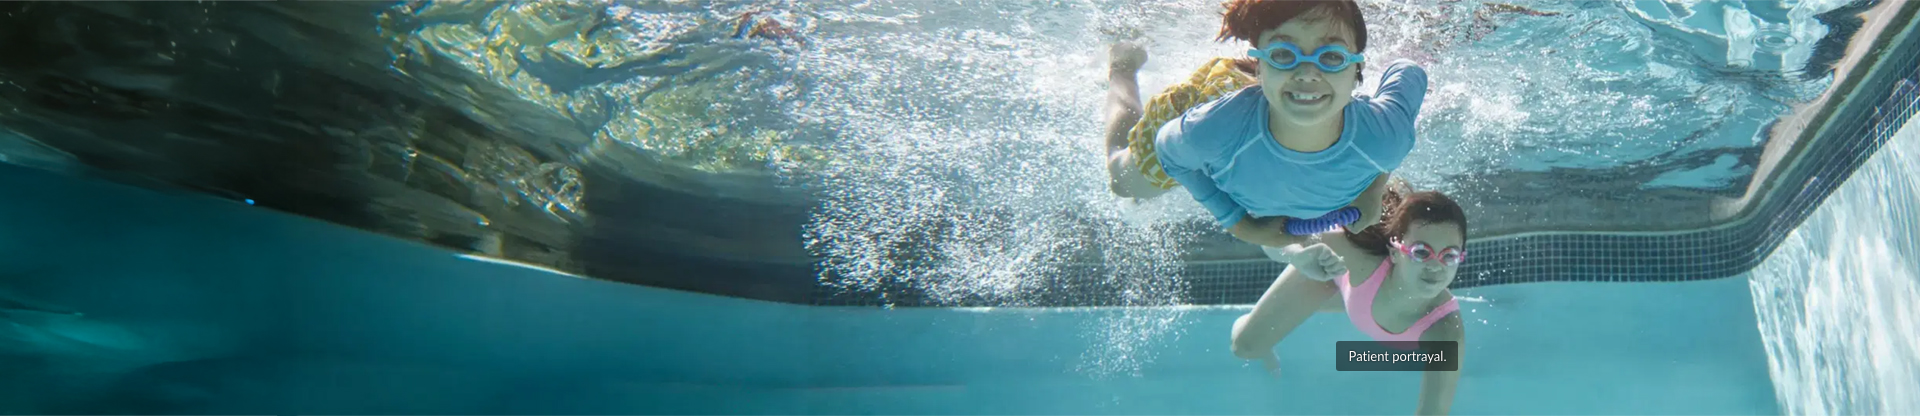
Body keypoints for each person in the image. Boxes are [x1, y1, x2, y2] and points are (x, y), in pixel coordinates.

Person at [1101, 0, 1429, 250]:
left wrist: (1374, 191)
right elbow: (1168, 151)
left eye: (1331, 58)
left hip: (1263, 98)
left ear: (1358, 69)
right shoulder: (1212, 131)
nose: (1307, 73)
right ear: (1259, 62)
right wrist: (1239, 225)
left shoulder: (1386, 139)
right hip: (1216, 97)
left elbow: (1409, 70)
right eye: (1285, 54)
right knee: (1122, 181)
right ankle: (1123, 66)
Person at [1230, 185, 1469, 415]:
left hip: (1359, 300)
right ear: (1395, 252)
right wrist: (1297, 256)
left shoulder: (1445, 331)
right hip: (1329, 275)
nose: (1436, 267)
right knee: (1245, 348)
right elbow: (1270, 234)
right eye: (1421, 252)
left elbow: (1433, 412)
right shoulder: (1357, 256)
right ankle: (1261, 334)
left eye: (1449, 255)